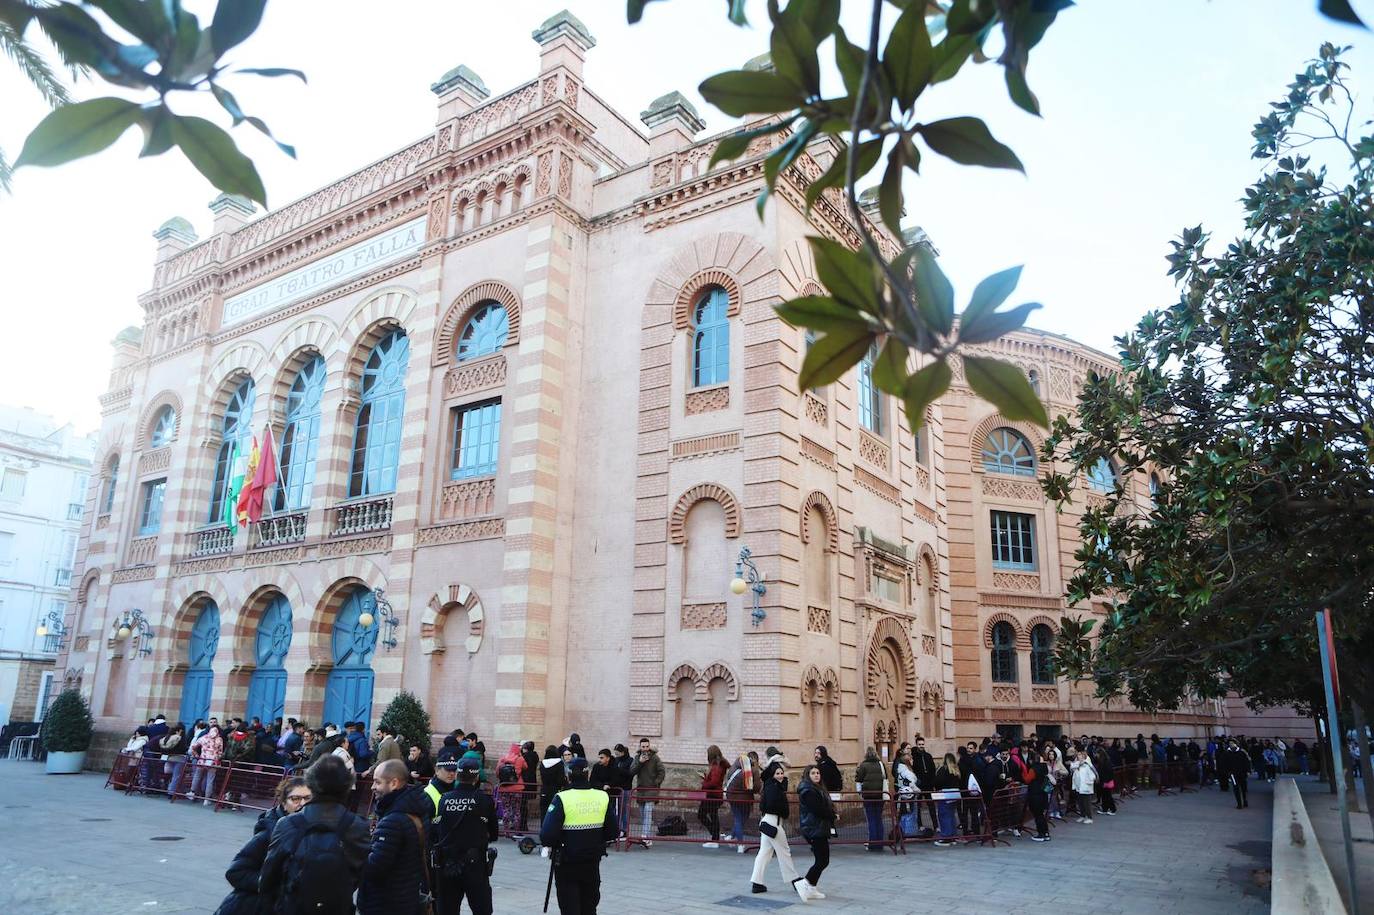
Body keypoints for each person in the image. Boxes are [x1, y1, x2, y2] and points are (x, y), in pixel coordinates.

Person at [259, 755, 369, 914]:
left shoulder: (288, 823)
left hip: (293, 907)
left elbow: (268, 878)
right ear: (347, 785)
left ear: (310, 783)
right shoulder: (358, 826)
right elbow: (359, 874)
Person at [214, 778, 310, 915]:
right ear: (283, 803)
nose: (303, 804)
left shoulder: (312, 830)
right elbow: (236, 872)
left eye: (308, 798)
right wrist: (270, 883)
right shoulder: (269, 833)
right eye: (295, 799)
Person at [541, 756, 619, 915]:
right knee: (589, 907)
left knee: (570, 907)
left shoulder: (562, 798)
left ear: (568, 775)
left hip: (567, 862)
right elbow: (613, 831)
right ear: (588, 774)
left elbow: (547, 835)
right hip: (591, 861)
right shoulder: (602, 796)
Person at [357, 759, 432, 915]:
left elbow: (375, 868)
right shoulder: (414, 810)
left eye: (377, 782)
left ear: (394, 783)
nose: (372, 787)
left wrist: (356, 850)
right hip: (404, 898)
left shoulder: (393, 821)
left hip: (385, 903)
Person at [431, 756, 498, 915]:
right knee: (482, 909)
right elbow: (494, 833)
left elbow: (437, 830)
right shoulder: (484, 800)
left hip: (448, 864)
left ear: (457, 776)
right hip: (475, 865)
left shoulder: (444, 799)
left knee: (447, 910)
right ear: (476, 778)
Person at [750, 755, 809, 901]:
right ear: (772, 775)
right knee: (784, 852)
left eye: (782, 773)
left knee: (764, 853)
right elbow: (771, 805)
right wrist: (783, 810)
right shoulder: (772, 787)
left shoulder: (773, 785)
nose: (781, 775)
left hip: (769, 822)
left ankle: (757, 883)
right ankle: (795, 880)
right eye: (778, 773)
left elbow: (777, 792)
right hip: (773, 822)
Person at [796, 764, 834, 900]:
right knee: (822, 860)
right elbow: (817, 809)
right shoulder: (808, 791)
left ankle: (811, 887)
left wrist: (832, 813)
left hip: (819, 828)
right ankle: (806, 883)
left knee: (822, 860)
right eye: (813, 773)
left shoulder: (817, 789)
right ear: (808, 775)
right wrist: (832, 815)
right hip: (814, 829)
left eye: (818, 773)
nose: (816, 775)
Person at [629, 737, 665, 846]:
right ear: (640, 747)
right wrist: (640, 762)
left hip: (651, 789)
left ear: (649, 746)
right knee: (643, 814)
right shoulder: (637, 757)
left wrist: (656, 783)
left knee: (648, 813)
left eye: (647, 746)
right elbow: (632, 771)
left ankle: (645, 837)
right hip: (641, 789)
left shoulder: (655, 758)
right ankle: (646, 836)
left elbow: (662, 771)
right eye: (643, 746)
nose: (645, 749)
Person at [854, 746, 887, 851]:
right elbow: (885, 777)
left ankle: (873, 843)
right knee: (878, 819)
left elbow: (858, 779)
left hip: (868, 796)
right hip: (880, 795)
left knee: (871, 819)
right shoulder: (881, 764)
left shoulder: (863, 765)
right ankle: (880, 842)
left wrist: (860, 792)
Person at [725, 751, 757, 852]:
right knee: (742, 819)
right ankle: (740, 844)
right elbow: (756, 787)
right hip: (746, 799)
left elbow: (728, 778)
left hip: (733, 798)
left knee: (738, 819)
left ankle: (733, 837)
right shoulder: (753, 771)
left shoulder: (734, 767)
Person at [698, 744, 729, 848]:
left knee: (702, 815)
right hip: (715, 794)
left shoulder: (716, 766)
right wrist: (706, 778)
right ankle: (715, 836)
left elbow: (714, 782)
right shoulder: (720, 765)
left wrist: (704, 784)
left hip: (712, 795)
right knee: (712, 815)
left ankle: (715, 837)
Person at [931, 753, 964, 846]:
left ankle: (946, 837)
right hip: (955, 794)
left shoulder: (943, 769)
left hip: (945, 794)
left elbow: (937, 781)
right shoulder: (956, 769)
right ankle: (952, 835)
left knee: (944, 815)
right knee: (951, 815)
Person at [188, 724, 224, 804]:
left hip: (202, 760)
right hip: (213, 762)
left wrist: (196, 755)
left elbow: (193, 747)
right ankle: (207, 799)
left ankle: (192, 792)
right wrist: (217, 757)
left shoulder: (203, 738)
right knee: (210, 780)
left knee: (197, 776)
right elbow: (221, 752)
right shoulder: (219, 739)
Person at [1021, 749, 1051, 843]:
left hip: (1035, 794)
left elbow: (1027, 780)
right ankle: (1046, 833)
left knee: (1037, 815)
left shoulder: (1034, 769)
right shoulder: (1044, 767)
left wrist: (1023, 772)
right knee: (1041, 814)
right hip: (1043, 794)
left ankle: (1041, 834)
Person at [910, 736, 936, 829]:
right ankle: (919, 824)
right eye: (919, 744)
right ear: (916, 745)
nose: (921, 746)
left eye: (922, 744)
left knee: (931, 805)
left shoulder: (928, 756)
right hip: (919, 785)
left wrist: (932, 782)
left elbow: (933, 769)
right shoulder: (914, 757)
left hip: (928, 784)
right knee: (918, 806)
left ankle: (935, 825)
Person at [1219, 738, 1251, 809]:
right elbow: (1223, 764)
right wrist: (1227, 772)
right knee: (1236, 787)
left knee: (1243, 787)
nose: (1231, 745)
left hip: (1242, 773)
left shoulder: (1242, 752)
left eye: (1232, 743)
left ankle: (1245, 800)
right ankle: (1239, 803)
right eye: (1230, 743)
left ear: (1236, 744)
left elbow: (1247, 762)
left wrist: (1248, 771)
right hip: (1233, 774)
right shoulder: (1226, 753)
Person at [1069, 748, 1098, 824]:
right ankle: (1082, 815)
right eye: (1078, 755)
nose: (1079, 756)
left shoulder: (1087, 765)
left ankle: (1089, 817)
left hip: (1086, 787)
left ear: (1084, 756)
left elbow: (1093, 775)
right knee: (1080, 802)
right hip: (1078, 787)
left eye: (1080, 755)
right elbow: (1072, 770)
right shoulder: (1076, 765)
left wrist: (1088, 782)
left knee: (1086, 803)